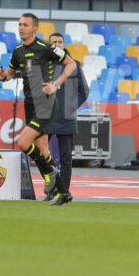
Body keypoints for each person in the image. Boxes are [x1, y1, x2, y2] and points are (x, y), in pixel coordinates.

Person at [0, 13, 78, 206]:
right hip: (30, 103)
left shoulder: (47, 48)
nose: (21, 27)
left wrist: (55, 84)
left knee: (23, 142)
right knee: (43, 150)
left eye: (25, 24)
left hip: (45, 104)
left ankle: (50, 175)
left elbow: (71, 64)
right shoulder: (17, 51)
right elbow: (9, 74)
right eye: (19, 24)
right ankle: (63, 192)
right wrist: (3, 77)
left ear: (34, 28)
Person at [44, 33, 89, 201]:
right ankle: (50, 190)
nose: (57, 44)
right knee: (43, 156)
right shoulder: (45, 64)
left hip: (66, 119)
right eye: (53, 42)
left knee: (65, 158)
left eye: (59, 42)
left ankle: (64, 192)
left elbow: (84, 92)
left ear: (64, 44)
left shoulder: (74, 65)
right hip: (47, 117)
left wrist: (69, 108)